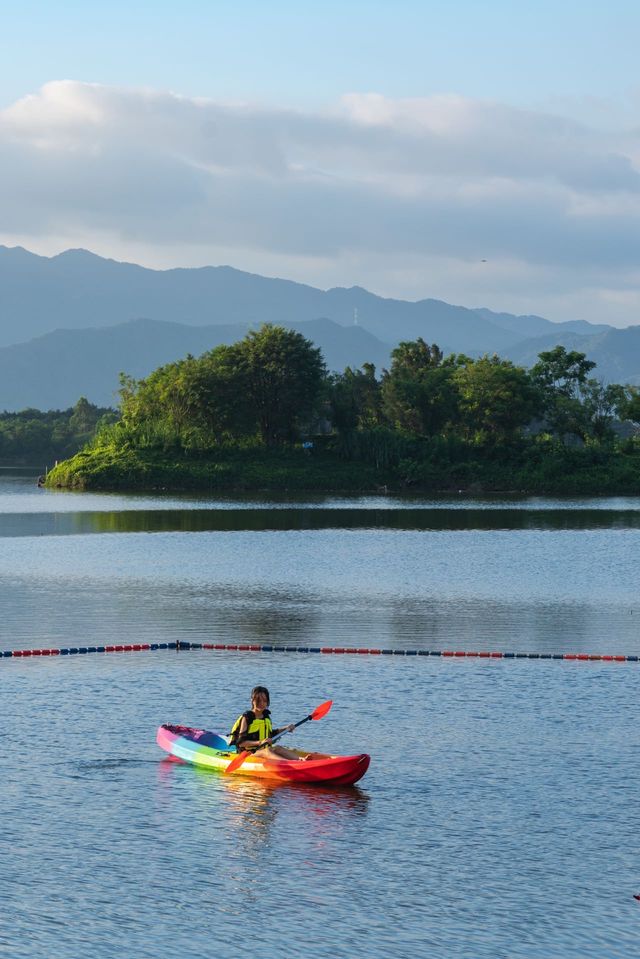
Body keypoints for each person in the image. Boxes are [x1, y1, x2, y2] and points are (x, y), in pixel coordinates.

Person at [229, 686, 306, 761]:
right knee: (267, 751)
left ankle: (300, 759)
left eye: (264, 701)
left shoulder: (266, 716)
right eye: (258, 701)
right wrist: (260, 742)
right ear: (252, 700)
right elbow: (241, 743)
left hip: (262, 750)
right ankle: (289, 763)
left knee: (277, 748)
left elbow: (270, 735)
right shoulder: (247, 717)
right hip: (247, 753)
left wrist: (286, 728)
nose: (261, 703)